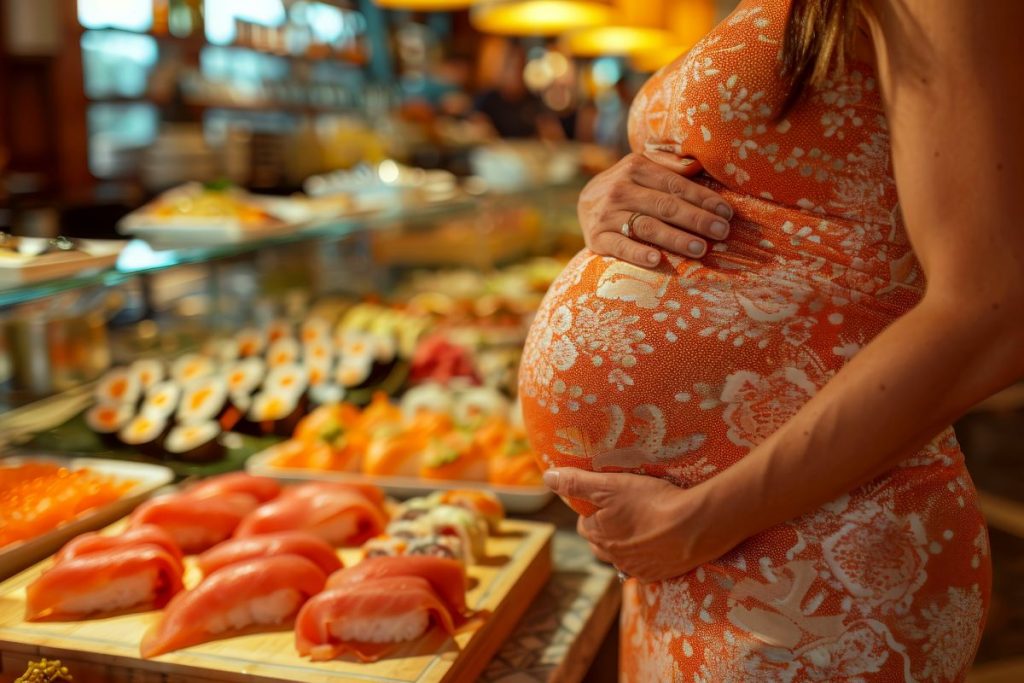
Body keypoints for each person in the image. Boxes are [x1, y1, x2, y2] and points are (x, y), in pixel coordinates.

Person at [518, 0, 1023, 679]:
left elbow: (995, 308)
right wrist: (613, 192)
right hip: (693, 549)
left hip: (821, 543)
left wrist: (705, 517)